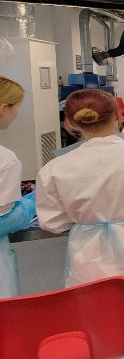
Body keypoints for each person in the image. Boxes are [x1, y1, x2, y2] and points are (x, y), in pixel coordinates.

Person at [35, 89, 124, 338]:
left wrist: (90, 215)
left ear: (69, 122)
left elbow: (53, 222)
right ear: (119, 116)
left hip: (89, 251)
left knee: (97, 316)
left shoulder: (54, 169)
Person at [0, 77, 35, 298]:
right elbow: (5, 220)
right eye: (19, 106)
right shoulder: (5, 159)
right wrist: (33, 201)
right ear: (4, 108)